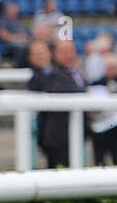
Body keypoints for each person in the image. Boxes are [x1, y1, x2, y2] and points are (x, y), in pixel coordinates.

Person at [28, 38, 87, 168]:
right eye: (64, 51)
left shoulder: (75, 71)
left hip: (74, 134)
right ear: (55, 54)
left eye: (71, 50)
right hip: (59, 138)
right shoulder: (54, 74)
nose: (69, 55)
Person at [0, 1, 30, 67]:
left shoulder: (16, 21)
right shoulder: (4, 20)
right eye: (13, 9)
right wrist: (17, 37)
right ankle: (20, 66)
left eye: (16, 9)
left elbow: (23, 33)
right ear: (7, 10)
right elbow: (2, 35)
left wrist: (25, 37)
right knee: (20, 48)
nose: (15, 11)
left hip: (21, 42)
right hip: (8, 44)